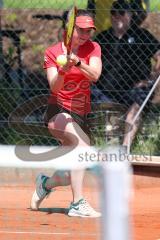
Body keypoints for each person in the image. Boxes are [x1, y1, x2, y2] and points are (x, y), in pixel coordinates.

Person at [30, 9, 102, 218]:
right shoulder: (52, 52)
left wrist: (78, 62)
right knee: (83, 147)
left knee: (74, 171)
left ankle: (46, 183)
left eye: (89, 30)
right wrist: (64, 68)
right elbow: (54, 86)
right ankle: (77, 204)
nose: (86, 35)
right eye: (81, 30)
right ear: (70, 29)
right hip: (58, 111)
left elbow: (95, 75)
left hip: (81, 114)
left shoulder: (93, 48)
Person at [94, 0, 160, 148]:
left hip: (135, 88)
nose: (117, 16)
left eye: (121, 12)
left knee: (133, 112)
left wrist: (151, 79)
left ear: (130, 15)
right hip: (107, 90)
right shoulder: (102, 38)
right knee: (109, 122)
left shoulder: (142, 35)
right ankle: (110, 145)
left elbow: (159, 56)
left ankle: (125, 148)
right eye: (113, 12)